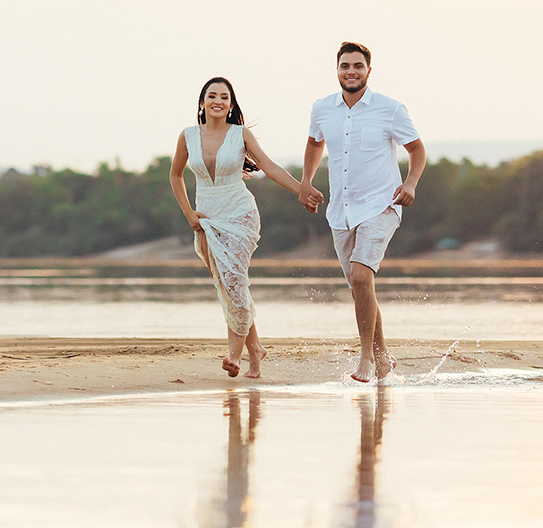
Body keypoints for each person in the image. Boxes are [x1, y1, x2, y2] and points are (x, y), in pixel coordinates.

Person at [299, 42, 426, 383]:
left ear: (369, 70)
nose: (351, 71)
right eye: (345, 66)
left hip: (381, 205)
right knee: (361, 286)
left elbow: (416, 149)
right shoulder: (322, 108)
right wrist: (306, 182)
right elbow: (314, 142)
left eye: (358, 66)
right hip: (341, 210)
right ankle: (383, 359)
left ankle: (366, 357)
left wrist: (411, 183)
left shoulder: (390, 108)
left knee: (359, 277)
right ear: (337, 70)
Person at [170, 77, 307, 378]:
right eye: (212, 96)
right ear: (202, 102)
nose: (217, 101)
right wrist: (188, 213)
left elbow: (270, 167)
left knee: (234, 281)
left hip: (240, 214)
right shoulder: (188, 136)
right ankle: (255, 349)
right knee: (231, 285)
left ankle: (234, 354)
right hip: (207, 219)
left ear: (231, 105)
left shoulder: (241, 134)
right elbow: (175, 175)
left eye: (224, 97)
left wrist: (302, 190)